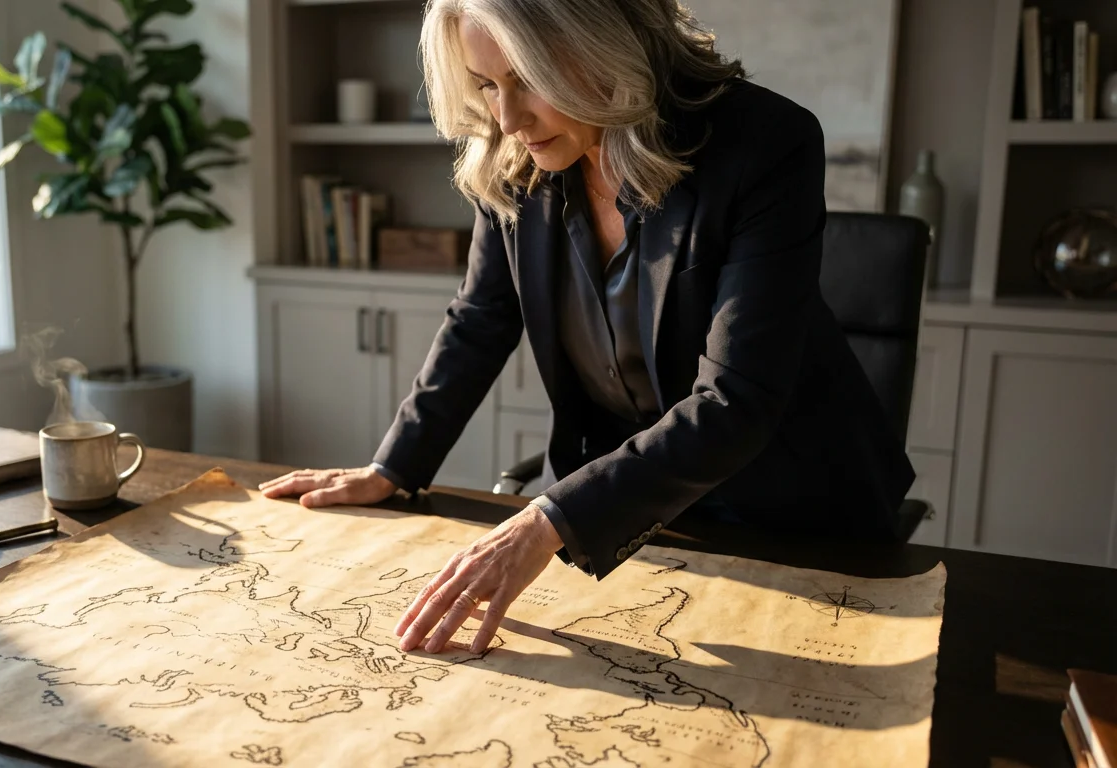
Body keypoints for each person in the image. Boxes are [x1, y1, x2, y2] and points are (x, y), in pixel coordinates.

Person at [260, 0, 914, 657]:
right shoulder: (517, 154)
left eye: (526, 78)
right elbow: (481, 317)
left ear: (605, 46)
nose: (506, 119)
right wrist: (392, 467)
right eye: (486, 85)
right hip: (629, 515)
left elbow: (735, 401)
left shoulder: (767, 142)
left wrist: (549, 518)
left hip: (792, 513)